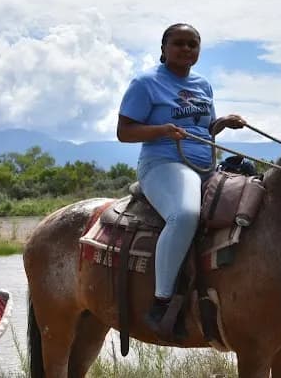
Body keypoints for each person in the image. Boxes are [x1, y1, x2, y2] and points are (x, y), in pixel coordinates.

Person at [117, 23, 247, 339]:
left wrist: (222, 123)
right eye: (179, 43)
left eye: (193, 44)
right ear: (164, 49)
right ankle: (161, 302)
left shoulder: (204, 85)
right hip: (164, 163)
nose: (186, 49)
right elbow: (124, 132)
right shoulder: (146, 83)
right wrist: (161, 130)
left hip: (205, 165)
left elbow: (202, 129)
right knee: (185, 214)